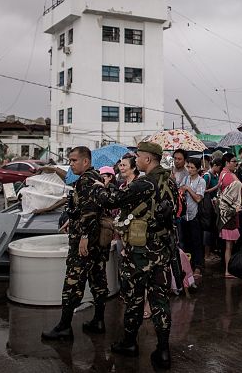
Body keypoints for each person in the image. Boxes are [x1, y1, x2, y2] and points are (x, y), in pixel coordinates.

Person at [94, 141, 177, 369]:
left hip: (140, 252)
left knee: (134, 297)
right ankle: (163, 350)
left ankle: (130, 342)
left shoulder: (144, 183)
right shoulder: (169, 181)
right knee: (160, 299)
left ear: (147, 159)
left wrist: (100, 187)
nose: (135, 159)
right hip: (162, 250)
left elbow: (111, 200)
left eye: (138, 156)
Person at [41, 147, 108, 341]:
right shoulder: (95, 177)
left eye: (73, 160)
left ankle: (64, 327)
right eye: (69, 160)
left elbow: (90, 210)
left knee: (73, 281)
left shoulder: (85, 180)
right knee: (97, 278)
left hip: (85, 241)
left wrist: (84, 236)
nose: (70, 164)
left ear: (85, 161)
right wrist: (73, 219)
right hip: (97, 240)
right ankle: (98, 321)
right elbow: (89, 208)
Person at [179, 157, 205, 279]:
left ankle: (198, 267)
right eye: (188, 167)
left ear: (198, 169)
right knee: (186, 242)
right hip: (185, 215)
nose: (189, 169)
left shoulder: (201, 181)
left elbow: (198, 198)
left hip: (195, 215)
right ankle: (187, 267)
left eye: (192, 168)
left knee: (197, 242)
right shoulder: (185, 178)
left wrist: (188, 189)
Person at [217, 153, 242, 279]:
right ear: (227, 163)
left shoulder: (224, 174)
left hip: (226, 215)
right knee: (229, 246)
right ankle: (228, 270)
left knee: (229, 245)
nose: (236, 163)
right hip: (229, 215)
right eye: (233, 161)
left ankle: (228, 269)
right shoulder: (228, 176)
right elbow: (239, 191)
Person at [202, 158, 222, 261]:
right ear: (214, 165)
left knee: (213, 229)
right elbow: (203, 191)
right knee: (208, 229)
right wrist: (216, 187)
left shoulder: (216, 176)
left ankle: (211, 251)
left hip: (213, 206)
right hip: (207, 207)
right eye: (219, 167)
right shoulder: (207, 176)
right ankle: (206, 254)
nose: (219, 169)